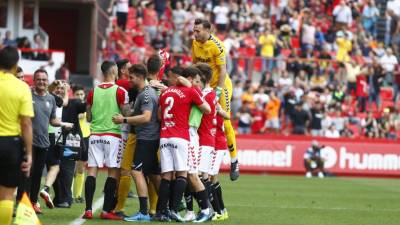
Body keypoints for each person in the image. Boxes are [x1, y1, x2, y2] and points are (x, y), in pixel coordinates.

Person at [154, 66, 210, 222]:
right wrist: (193, 90)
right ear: (190, 79)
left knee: (166, 176)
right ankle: (174, 210)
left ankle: (161, 212)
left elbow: (159, 116)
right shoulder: (191, 91)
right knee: (183, 174)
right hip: (181, 136)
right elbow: (207, 109)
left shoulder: (166, 92)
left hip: (164, 136)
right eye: (196, 81)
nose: (198, 84)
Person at [192, 18, 239, 181]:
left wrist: (217, 92)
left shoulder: (217, 46)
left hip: (221, 86)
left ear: (207, 31)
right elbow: (195, 64)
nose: (195, 33)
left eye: (198, 31)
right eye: (194, 30)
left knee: (224, 121)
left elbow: (223, 70)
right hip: (205, 86)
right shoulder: (195, 43)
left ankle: (234, 161)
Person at [112, 64, 161, 222]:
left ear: (140, 77)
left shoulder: (146, 94)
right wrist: (128, 112)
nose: (129, 80)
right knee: (154, 174)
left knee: (136, 171)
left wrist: (124, 119)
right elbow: (141, 113)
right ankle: (169, 206)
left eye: (131, 77)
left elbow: (146, 117)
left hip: (147, 138)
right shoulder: (144, 93)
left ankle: (143, 212)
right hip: (149, 138)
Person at [83, 61, 129, 220]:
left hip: (95, 134)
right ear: (115, 71)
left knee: (92, 171)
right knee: (113, 172)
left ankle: (88, 209)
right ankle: (106, 210)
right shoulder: (120, 91)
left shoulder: (92, 91)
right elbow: (125, 115)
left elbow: (88, 116)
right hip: (113, 135)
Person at [23, 69, 73, 214]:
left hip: (44, 143)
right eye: (38, 79)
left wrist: (63, 124)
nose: (41, 82)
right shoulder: (27, 95)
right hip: (28, 141)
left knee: (38, 175)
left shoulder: (50, 98)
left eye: (44, 79)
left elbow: (52, 120)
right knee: (27, 174)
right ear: (34, 80)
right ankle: (23, 203)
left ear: (47, 81)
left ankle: (33, 203)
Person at [0, 46, 33, 225]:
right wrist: (29, 153)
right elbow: (26, 123)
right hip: (10, 143)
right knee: (6, 194)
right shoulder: (21, 87)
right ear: (15, 65)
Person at [39, 80, 68, 209]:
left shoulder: (36, 95)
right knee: (55, 167)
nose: (59, 90)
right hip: (50, 135)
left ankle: (31, 198)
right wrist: (67, 90)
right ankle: (45, 189)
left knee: (38, 168)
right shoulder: (51, 98)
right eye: (58, 88)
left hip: (40, 134)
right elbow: (64, 102)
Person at [72, 86, 90, 203]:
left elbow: (86, 115)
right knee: (70, 167)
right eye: (77, 94)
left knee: (81, 167)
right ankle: (69, 195)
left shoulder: (85, 107)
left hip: (85, 137)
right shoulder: (70, 106)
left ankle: (78, 195)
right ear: (73, 95)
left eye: (81, 94)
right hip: (72, 137)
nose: (79, 96)